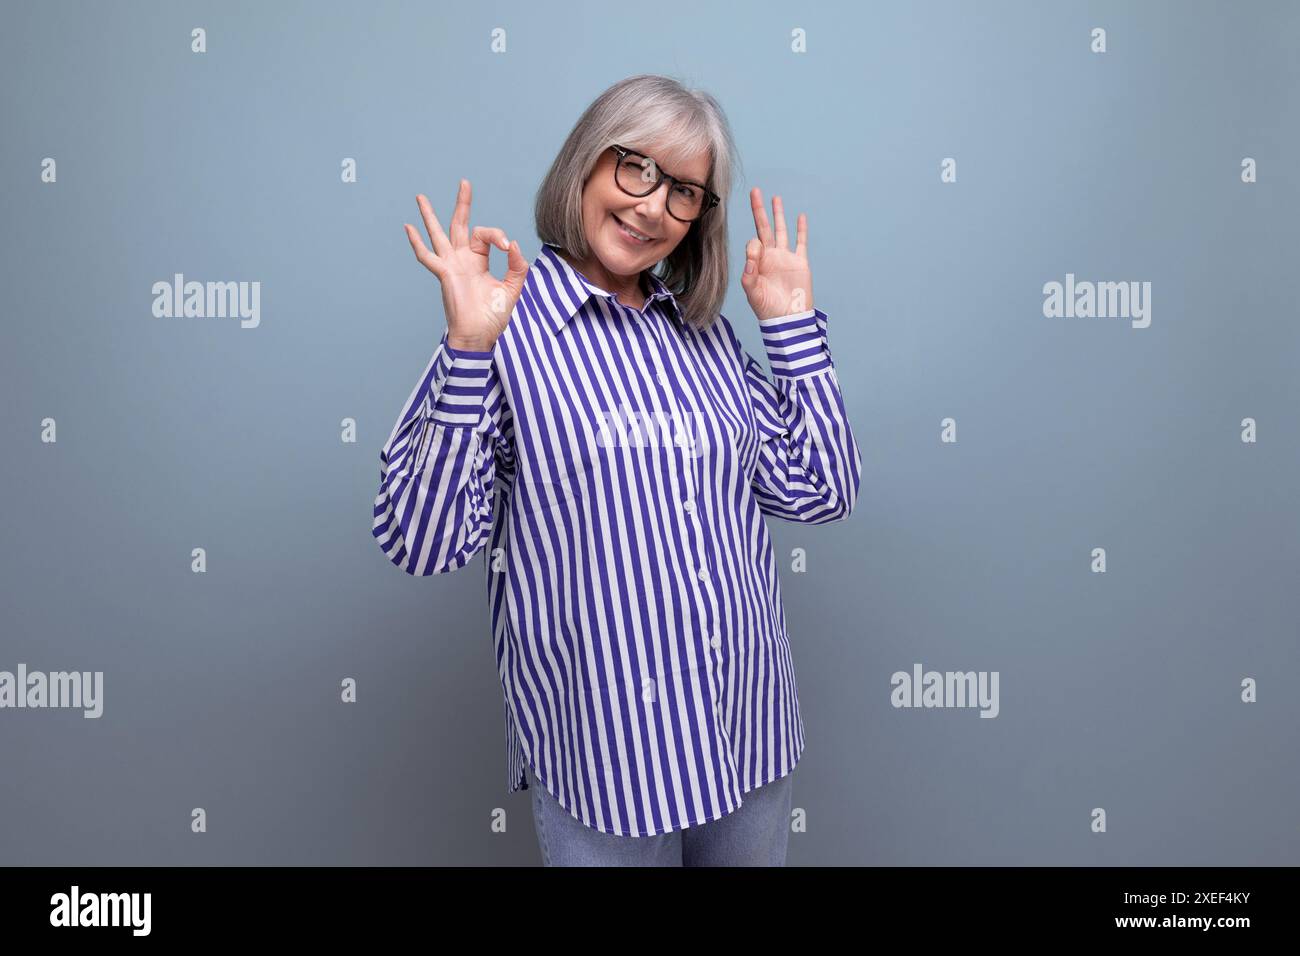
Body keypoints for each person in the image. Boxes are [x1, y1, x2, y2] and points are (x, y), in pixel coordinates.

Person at [373, 74, 862, 866]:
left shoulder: (704, 338)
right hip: (607, 753)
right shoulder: (503, 329)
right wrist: (467, 350)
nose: (651, 206)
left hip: (748, 726)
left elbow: (823, 489)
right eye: (636, 168)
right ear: (587, 164)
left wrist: (792, 327)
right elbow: (419, 544)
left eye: (685, 192)